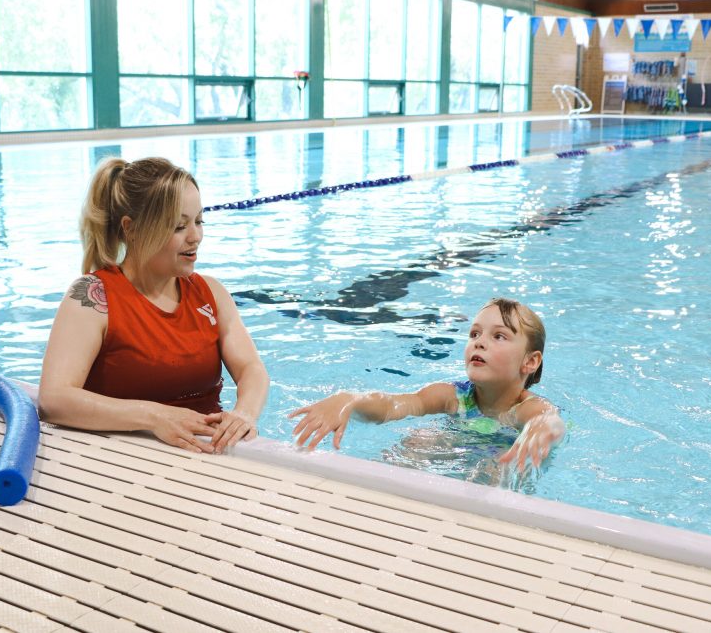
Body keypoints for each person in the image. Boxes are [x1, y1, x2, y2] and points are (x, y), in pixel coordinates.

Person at [39, 157, 268, 454]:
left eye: (199, 221)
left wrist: (244, 414)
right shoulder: (93, 298)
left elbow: (251, 368)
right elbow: (54, 400)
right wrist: (154, 417)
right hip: (120, 455)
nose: (195, 236)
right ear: (131, 228)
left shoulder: (211, 293)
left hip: (204, 453)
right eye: (178, 226)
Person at [289, 298, 564, 472]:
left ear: (530, 361)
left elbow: (548, 419)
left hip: (502, 461)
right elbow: (394, 405)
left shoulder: (526, 407)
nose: (479, 342)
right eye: (475, 333)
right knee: (417, 440)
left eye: (499, 336)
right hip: (462, 450)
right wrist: (350, 400)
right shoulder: (452, 396)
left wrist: (541, 428)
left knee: (499, 466)